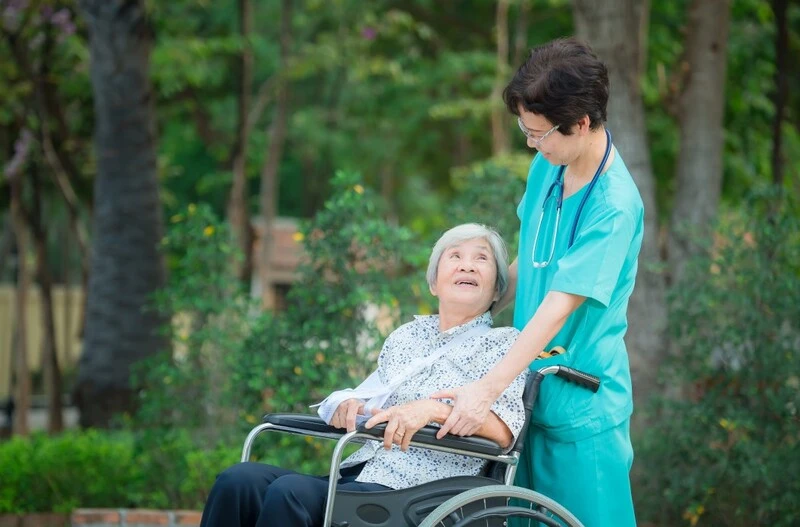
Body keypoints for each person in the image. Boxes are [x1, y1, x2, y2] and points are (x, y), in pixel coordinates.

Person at [432, 38, 643, 526]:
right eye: (527, 131)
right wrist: (464, 312)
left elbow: (558, 306)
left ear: (583, 123)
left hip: (579, 406)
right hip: (523, 391)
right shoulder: (549, 164)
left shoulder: (613, 207)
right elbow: (533, 257)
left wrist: (486, 387)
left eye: (539, 133)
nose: (532, 143)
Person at [200, 223, 528, 527]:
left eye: (481, 259)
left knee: (290, 492)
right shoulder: (407, 337)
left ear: (497, 289)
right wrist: (352, 404)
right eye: (455, 256)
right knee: (238, 482)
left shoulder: (504, 345)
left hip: (423, 492)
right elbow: (377, 396)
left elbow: (504, 432)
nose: (467, 265)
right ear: (433, 282)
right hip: (363, 472)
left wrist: (432, 411)